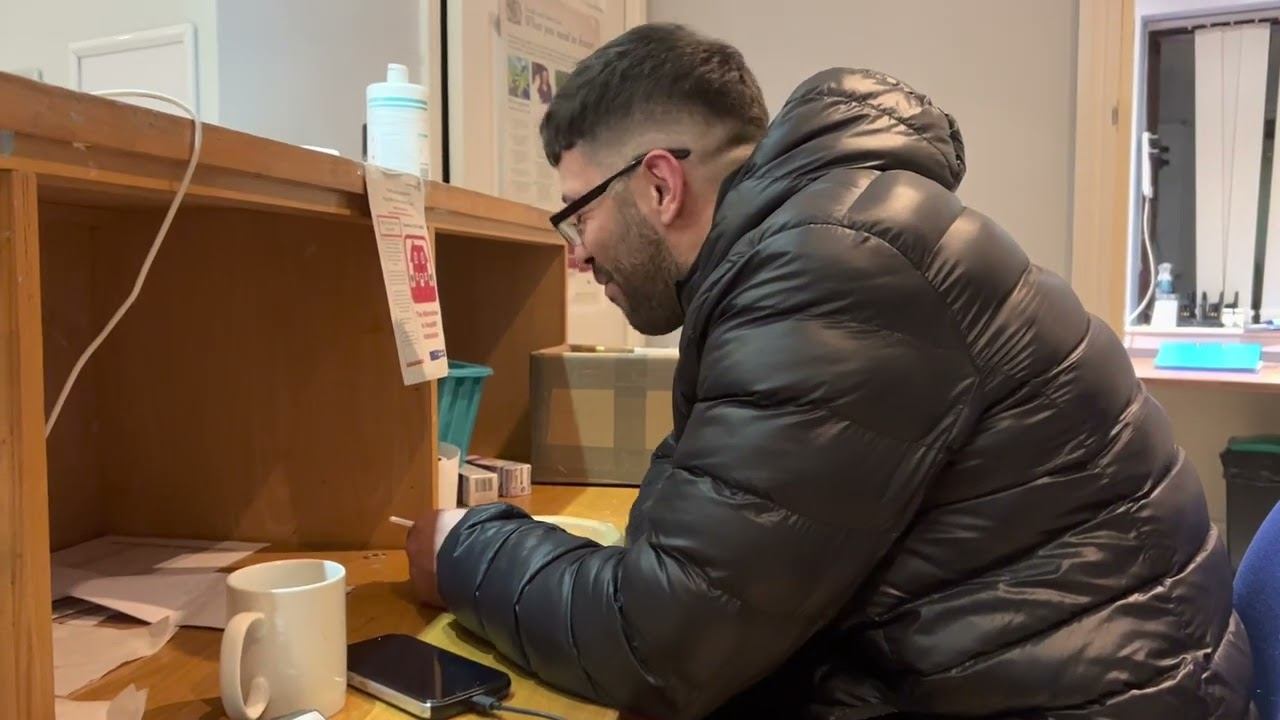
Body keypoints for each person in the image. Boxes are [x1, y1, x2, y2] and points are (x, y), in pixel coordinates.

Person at [407, 23, 1255, 720]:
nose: (578, 254)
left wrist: (462, 547)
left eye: (577, 214)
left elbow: (661, 641)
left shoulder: (830, 270)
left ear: (659, 185)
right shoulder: (828, 237)